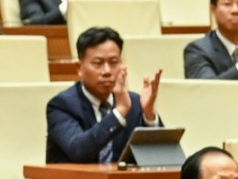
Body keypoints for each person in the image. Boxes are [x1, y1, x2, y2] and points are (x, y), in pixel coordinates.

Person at [47, 27, 161, 163]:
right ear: (79, 68)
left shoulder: (135, 102)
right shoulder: (61, 105)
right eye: (98, 63)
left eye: (113, 62)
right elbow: (78, 150)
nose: (107, 71)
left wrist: (149, 115)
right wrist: (119, 113)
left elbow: (160, 157)